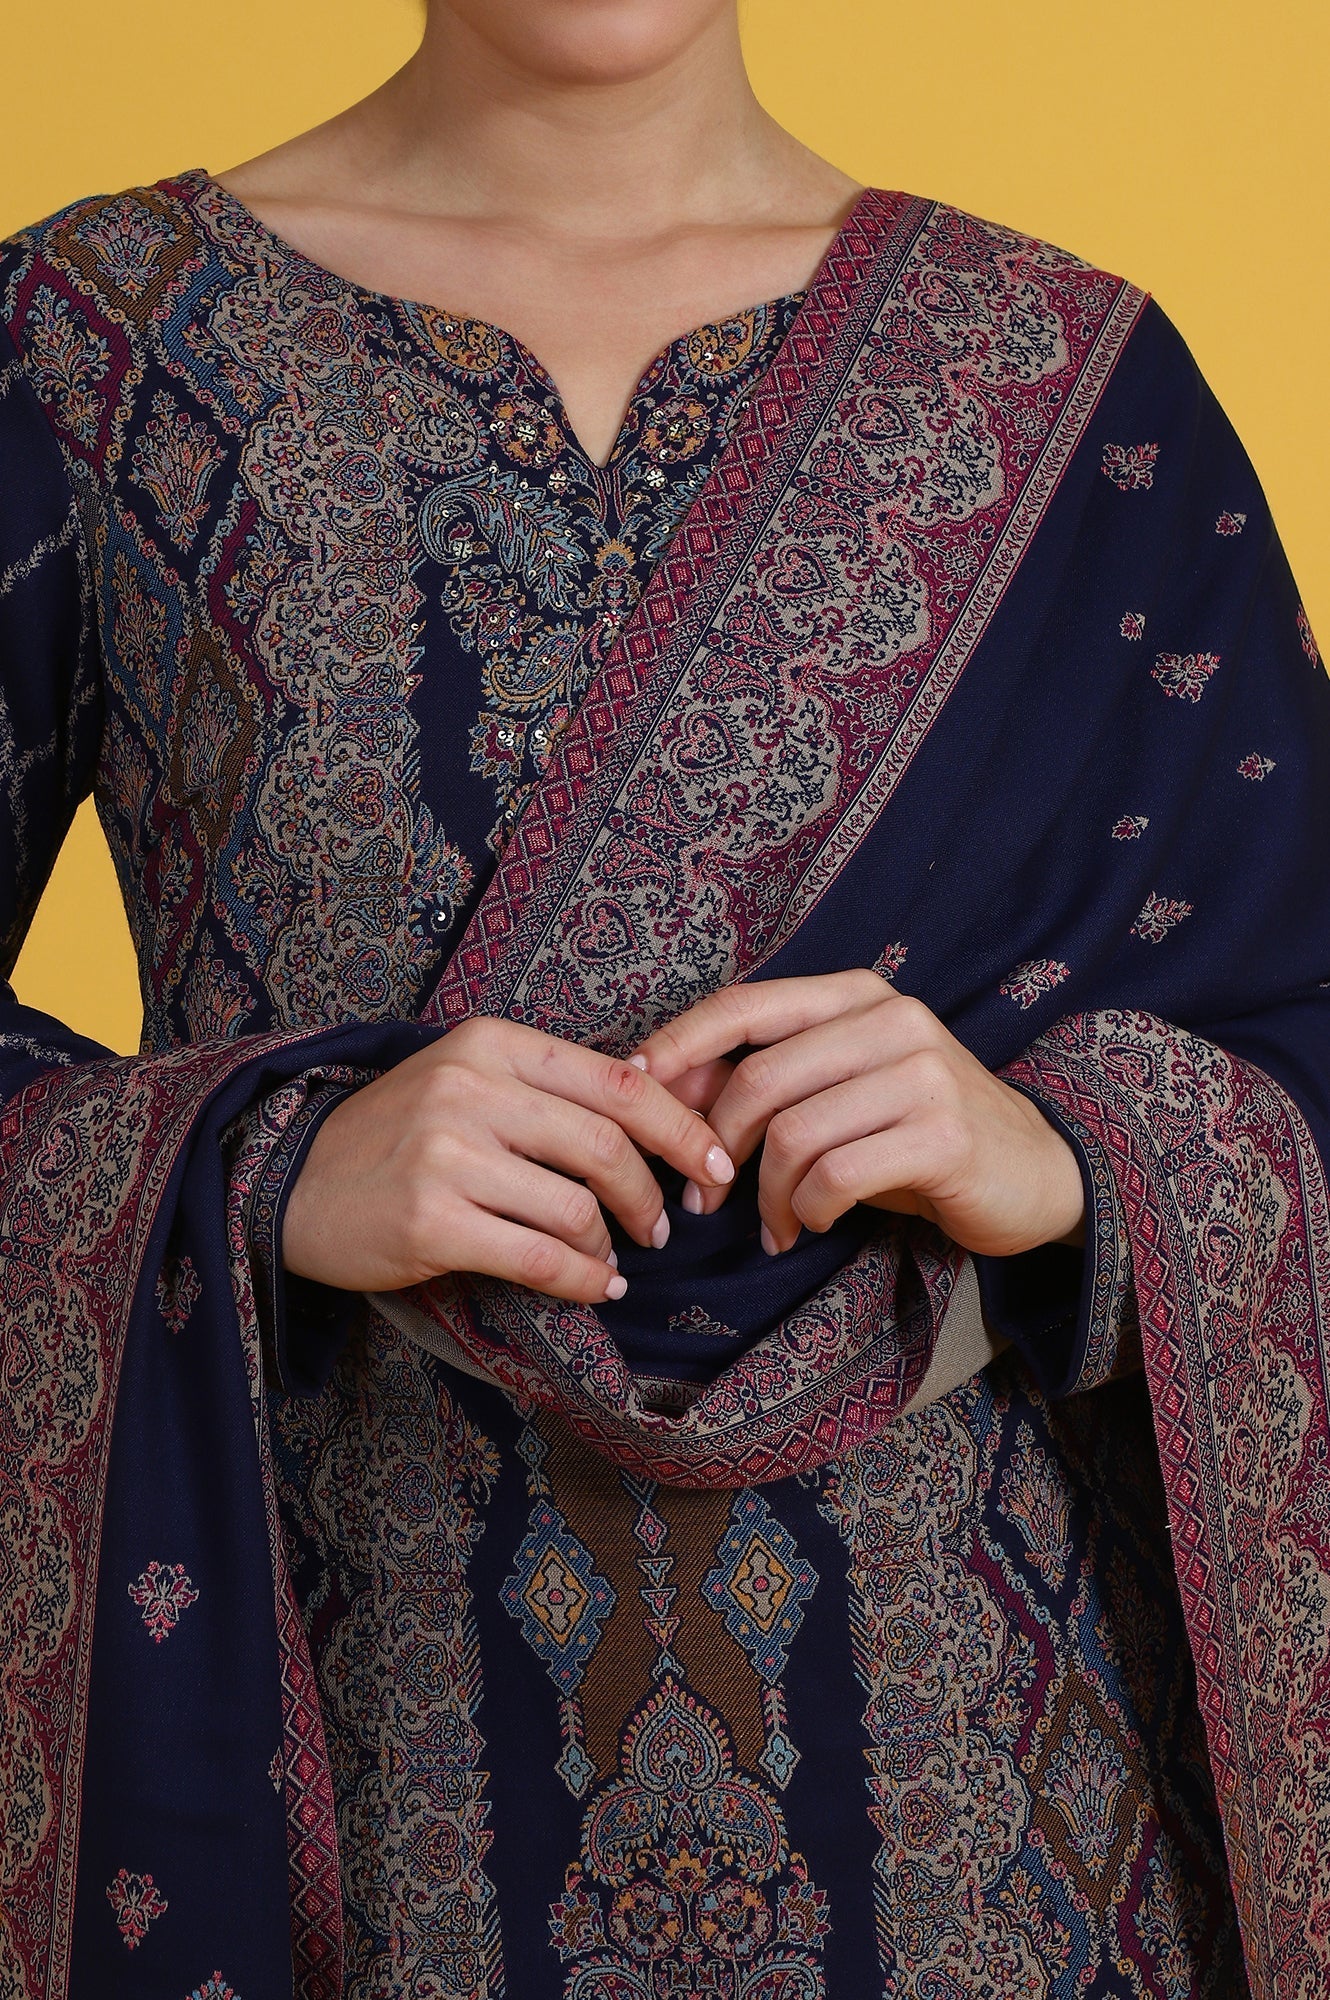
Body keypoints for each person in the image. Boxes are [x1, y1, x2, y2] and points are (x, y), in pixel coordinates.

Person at [2, 1, 1327, 1994]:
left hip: (1009, 1838)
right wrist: (259, 1164)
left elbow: (1291, 1007)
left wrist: (1062, 1153)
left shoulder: (1066, 374)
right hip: (346, 1793)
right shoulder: (91, 342)